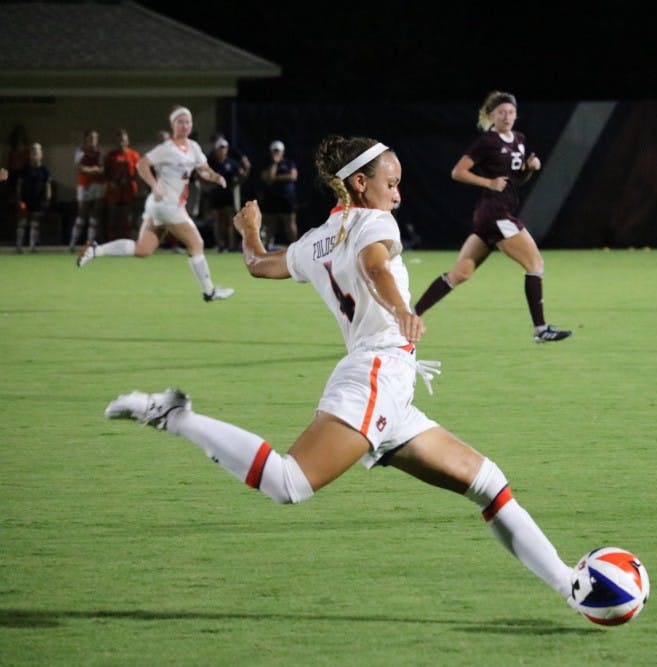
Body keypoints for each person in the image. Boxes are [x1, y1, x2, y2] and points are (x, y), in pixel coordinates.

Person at [103, 133, 577, 611]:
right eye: (391, 183)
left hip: (387, 384)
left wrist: (249, 230)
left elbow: (258, 265)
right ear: (360, 183)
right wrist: (401, 309)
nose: (398, 195)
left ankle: (571, 585)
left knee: (489, 484)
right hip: (378, 373)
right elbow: (375, 266)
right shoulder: (375, 222)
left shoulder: (316, 240)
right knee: (289, 483)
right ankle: (174, 416)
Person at [413, 91, 572, 344]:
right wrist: (488, 182)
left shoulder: (519, 139)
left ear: (516, 114)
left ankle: (410, 315)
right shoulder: (487, 141)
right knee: (535, 264)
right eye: (501, 112)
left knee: (460, 273)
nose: (506, 116)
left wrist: (529, 169)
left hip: (491, 216)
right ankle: (541, 329)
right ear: (491, 115)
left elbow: (516, 180)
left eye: (511, 112)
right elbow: (458, 172)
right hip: (496, 214)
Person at [76, 106, 235, 302]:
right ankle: (209, 291)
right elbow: (141, 165)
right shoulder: (166, 148)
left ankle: (96, 250)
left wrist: (216, 177)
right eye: (180, 122)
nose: (185, 125)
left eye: (188, 122)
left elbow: (202, 169)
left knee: (143, 249)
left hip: (160, 207)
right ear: (173, 125)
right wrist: (154, 185)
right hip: (167, 205)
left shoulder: (193, 147)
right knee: (197, 244)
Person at [206, 136, 248, 252]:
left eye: (224, 148)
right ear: (216, 150)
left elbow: (241, 175)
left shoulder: (232, 163)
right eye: (220, 148)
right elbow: (205, 176)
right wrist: (208, 185)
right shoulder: (211, 163)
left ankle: (231, 244)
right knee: (218, 220)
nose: (222, 150)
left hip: (228, 195)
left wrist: (241, 177)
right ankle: (220, 244)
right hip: (216, 194)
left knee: (230, 220)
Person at [68, 129, 105, 251]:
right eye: (91, 138)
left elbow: (102, 169)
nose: (93, 141)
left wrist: (94, 170)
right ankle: (72, 243)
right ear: (86, 139)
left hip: (97, 184)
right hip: (84, 185)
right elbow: (80, 168)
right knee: (82, 214)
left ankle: (89, 244)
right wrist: (92, 169)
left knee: (95, 214)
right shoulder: (80, 152)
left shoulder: (100, 153)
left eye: (95, 138)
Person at [259, 139, 298, 250]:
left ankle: (296, 248)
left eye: (278, 151)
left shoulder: (289, 163)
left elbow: (293, 176)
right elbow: (269, 177)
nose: (277, 153)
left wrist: (277, 178)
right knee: (270, 224)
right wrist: (275, 164)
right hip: (272, 198)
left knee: (290, 223)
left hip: (287, 198)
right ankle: (266, 248)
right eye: (275, 151)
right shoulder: (267, 164)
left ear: (283, 151)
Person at [103, 128, 141, 241]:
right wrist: (111, 183)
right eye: (119, 140)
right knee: (113, 216)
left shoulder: (134, 155)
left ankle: (127, 240)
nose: (121, 142)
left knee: (128, 216)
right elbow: (105, 173)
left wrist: (133, 179)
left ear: (127, 141)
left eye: (123, 140)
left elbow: (139, 172)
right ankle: (112, 240)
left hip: (129, 190)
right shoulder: (111, 155)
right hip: (114, 191)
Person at [15, 142, 51, 253]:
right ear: (30, 154)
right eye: (33, 151)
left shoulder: (45, 170)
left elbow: (47, 185)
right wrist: (19, 198)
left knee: (35, 222)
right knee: (22, 221)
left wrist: (48, 198)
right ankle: (19, 246)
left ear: (41, 154)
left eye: (37, 151)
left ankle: (32, 246)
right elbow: (19, 185)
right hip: (25, 199)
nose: (35, 153)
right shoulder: (24, 169)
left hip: (38, 199)